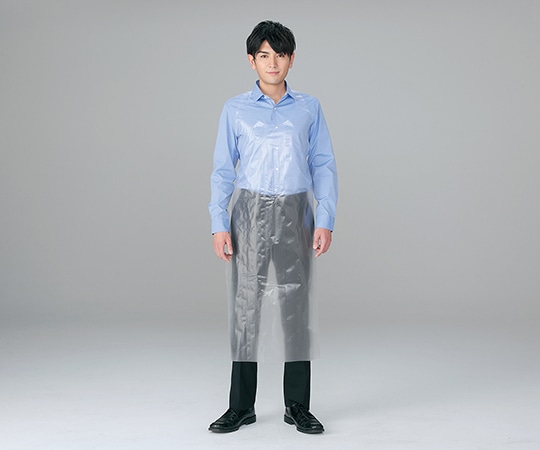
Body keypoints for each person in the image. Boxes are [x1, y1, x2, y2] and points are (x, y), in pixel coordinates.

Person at [208, 20, 338, 434]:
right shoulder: (235, 110)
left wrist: (325, 218)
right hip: (248, 212)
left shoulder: (309, 108)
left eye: (280, 55)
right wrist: (218, 222)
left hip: (297, 211)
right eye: (264, 55)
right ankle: (240, 406)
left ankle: (297, 405)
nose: (273, 63)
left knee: (296, 305)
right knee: (246, 307)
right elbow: (222, 170)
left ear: (292, 59)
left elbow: (323, 164)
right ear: (251, 60)